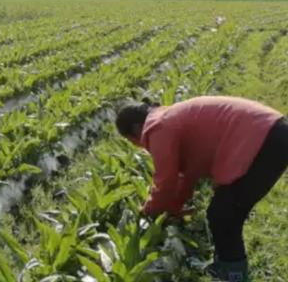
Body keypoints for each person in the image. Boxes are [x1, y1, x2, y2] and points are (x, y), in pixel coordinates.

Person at [115, 96, 288, 282]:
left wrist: (149, 211)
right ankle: (224, 268)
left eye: (132, 141)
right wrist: (174, 207)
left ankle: (233, 276)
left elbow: (165, 181)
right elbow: (185, 176)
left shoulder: (158, 127)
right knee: (221, 212)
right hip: (268, 133)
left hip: (262, 139)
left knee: (224, 216)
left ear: (135, 130)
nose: (139, 146)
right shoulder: (168, 118)